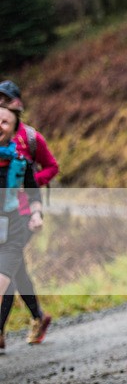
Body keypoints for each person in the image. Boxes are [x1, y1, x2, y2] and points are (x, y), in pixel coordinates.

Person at [0, 80, 57, 346]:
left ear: (17, 105)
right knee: (15, 267)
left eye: (6, 99)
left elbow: (51, 167)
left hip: (21, 214)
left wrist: (27, 185)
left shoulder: (32, 138)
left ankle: (1, 331)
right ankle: (38, 315)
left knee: (8, 268)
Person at [0, 102, 44, 352]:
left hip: (13, 232)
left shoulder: (21, 162)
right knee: (21, 276)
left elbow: (34, 194)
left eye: (5, 122)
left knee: (6, 281)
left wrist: (37, 215)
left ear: (14, 128)